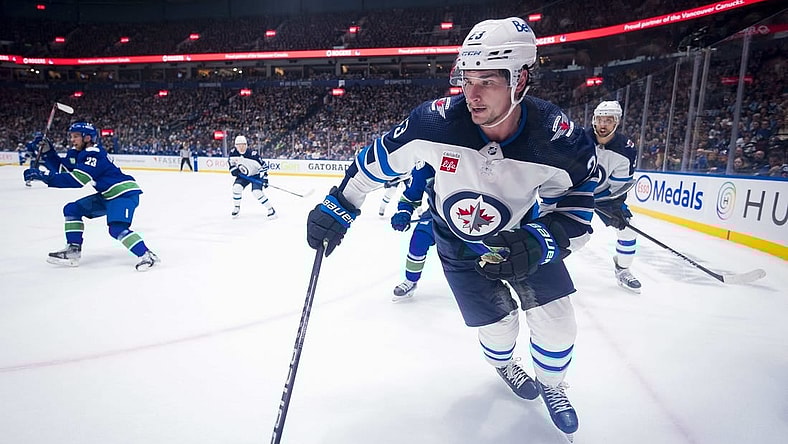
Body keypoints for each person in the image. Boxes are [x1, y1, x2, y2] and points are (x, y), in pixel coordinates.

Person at [306, 17, 597, 438]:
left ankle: (553, 385)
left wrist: (543, 240)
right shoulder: (434, 124)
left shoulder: (557, 139)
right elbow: (377, 159)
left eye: (488, 82)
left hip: (522, 238)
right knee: (497, 328)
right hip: (457, 245)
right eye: (467, 78)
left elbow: (577, 201)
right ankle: (504, 364)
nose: (472, 94)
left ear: (521, 79)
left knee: (557, 321)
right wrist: (341, 203)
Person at [22, 121, 160, 271]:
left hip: (123, 193)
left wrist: (45, 176)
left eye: (76, 136)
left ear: (87, 138)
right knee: (72, 209)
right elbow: (64, 169)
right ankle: (73, 251)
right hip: (107, 195)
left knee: (116, 229)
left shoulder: (94, 154)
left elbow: (78, 180)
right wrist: (48, 153)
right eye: (71, 136)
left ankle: (147, 255)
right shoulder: (80, 153)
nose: (72, 140)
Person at [588, 101, 642, 293]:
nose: (603, 125)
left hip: (603, 196)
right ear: (594, 119)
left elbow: (620, 187)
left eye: (608, 120)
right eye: (600, 119)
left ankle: (623, 270)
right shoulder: (579, 139)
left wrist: (617, 209)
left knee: (629, 230)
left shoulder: (625, 149)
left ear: (616, 122)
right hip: (573, 191)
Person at [390, 163, 436, 301]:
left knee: (484, 248)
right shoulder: (425, 166)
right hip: (437, 214)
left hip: (470, 214)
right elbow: (411, 196)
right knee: (419, 240)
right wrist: (404, 212)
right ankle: (411, 280)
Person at [228, 135, 276, 219]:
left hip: (256, 175)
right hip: (243, 175)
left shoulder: (253, 155)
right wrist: (233, 169)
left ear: (246, 145)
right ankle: (236, 207)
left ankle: (270, 209)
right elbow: (231, 163)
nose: (241, 147)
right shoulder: (233, 153)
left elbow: (264, 166)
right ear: (236, 146)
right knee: (236, 188)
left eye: (243, 145)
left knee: (256, 192)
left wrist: (265, 178)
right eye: (239, 145)